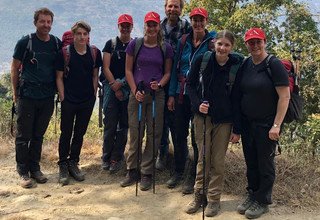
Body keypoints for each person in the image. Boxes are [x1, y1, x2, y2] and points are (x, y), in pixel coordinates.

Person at [185, 30, 243, 217]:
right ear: (214, 43)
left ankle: (214, 200)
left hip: (224, 121)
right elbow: (190, 85)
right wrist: (196, 105)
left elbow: (237, 99)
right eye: (220, 44)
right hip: (202, 118)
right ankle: (199, 195)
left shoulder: (235, 66)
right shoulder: (203, 60)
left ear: (231, 47)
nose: (222, 48)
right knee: (202, 158)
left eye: (226, 45)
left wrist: (237, 128)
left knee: (217, 161)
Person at [233, 28, 290, 219]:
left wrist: (277, 125)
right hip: (249, 123)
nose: (255, 45)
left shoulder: (273, 64)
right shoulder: (246, 64)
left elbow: (284, 96)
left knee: (265, 163)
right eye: (251, 42)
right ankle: (252, 194)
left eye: (258, 41)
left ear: (265, 41)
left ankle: (263, 200)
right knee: (251, 162)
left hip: (267, 124)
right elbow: (240, 93)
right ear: (246, 44)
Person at [120, 11, 173, 191]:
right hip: (137, 95)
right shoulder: (135, 45)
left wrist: (160, 84)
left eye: (154, 24)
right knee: (135, 132)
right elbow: (128, 70)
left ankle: (147, 173)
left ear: (159, 27)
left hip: (156, 95)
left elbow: (167, 72)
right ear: (145, 26)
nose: (151, 28)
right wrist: (135, 91)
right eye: (148, 24)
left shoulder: (165, 48)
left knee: (154, 133)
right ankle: (131, 170)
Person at [11, 8, 61, 188]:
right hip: (27, 95)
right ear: (35, 23)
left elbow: (61, 68)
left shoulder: (55, 43)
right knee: (24, 135)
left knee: (38, 134)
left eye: (48, 22)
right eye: (42, 21)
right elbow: (15, 68)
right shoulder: (26, 42)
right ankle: (23, 171)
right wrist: (15, 93)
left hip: (47, 96)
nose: (46, 25)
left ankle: (35, 168)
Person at [166, 7, 214, 193]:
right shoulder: (183, 41)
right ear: (191, 21)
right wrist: (171, 94)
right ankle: (178, 170)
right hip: (180, 93)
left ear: (206, 21)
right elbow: (175, 70)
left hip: (199, 95)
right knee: (178, 133)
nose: (198, 23)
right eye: (195, 20)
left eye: (201, 20)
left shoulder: (212, 42)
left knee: (197, 137)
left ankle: (192, 175)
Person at [55, 21, 102, 185]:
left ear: (88, 36)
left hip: (86, 100)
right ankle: (62, 164)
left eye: (85, 34)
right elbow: (59, 77)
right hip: (69, 99)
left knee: (79, 133)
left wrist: (93, 95)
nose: (82, 37)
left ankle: (73, 162)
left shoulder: (95, 53)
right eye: (79, 34)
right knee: (66, 132)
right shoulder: (65, 53)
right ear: (73, 36)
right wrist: (63, 97)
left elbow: (95, 75)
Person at [156, 0, 191, 171]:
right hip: (159, 79)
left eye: (176, 6)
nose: (172, 9)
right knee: (160, 120)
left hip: (178, 81)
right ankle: (162, 153)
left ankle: (181, 159)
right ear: (165, 8)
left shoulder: (187, 28)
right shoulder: (158, 27)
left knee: (178, 123)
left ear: (181, 9)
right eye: (170, 6)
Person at [101, 14, 133, 174]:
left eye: (128, 25)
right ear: (118, 26)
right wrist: (115, 85)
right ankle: (106, 157)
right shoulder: (111, 44)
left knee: (124, 125)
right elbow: (105, 67)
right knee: (110, 124)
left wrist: (122, 85)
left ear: (132, 27)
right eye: (123, 25)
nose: (125, 28)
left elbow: (134, 68)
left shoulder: (135, 45)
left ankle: (117, 158)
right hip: (111, 88)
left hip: (128, 88)